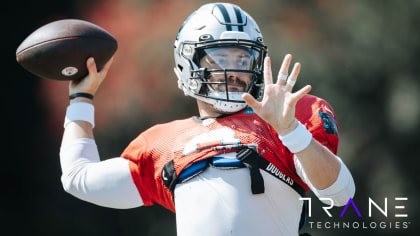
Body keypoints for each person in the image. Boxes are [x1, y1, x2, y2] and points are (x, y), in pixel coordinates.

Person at [60, 2, 355, 236]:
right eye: (222, 58)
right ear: (187, 63)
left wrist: (291, 130)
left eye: (243, 59)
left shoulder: (288, 118)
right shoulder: (163, 144)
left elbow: (341, 195)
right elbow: (78, 178)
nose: (236, 71)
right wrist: (80, 99)